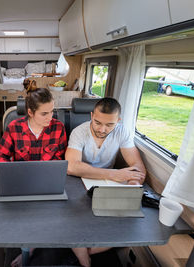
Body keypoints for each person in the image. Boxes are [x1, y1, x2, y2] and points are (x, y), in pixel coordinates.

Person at [65, 97, 146, 267]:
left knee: (127, 228)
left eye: (109, 125)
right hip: (78, 183)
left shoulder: (122, 132)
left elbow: (138, 166)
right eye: (97, 122)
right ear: (91, 115)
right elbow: (72, 166)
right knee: (70, 219)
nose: (102, 129)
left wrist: (131, 187)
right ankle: (84, 260)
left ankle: (83, 251)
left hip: (109, 185)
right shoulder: (79, 132)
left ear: (118, 121)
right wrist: (112, 174)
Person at [0, 85, 67, 267]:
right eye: (44, 113)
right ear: (30, 112)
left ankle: (32, 250)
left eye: (52, 111)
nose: (51, 117)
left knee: (51, 217)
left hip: (48, 185)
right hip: (20, 184)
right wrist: (9, 174)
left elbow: (60, 160)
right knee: (19, 218)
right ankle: (22, 247)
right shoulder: (14, 128)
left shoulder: (58, 128)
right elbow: (0, 157)